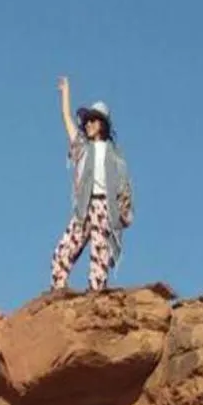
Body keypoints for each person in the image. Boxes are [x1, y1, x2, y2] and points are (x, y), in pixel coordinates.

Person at [48, 77, 134, 294]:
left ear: (103, 125)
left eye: (93, 121)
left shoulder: (115, 157)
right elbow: (66, 119)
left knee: (99, 258)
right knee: (63, 251)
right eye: (87, 121)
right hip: (85, 206)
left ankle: (95, 299)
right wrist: (66, 93)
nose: (88, 124)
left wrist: (124, 213)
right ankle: (58, 293)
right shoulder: (83, 148)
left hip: (104, 207)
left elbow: (124, 189)